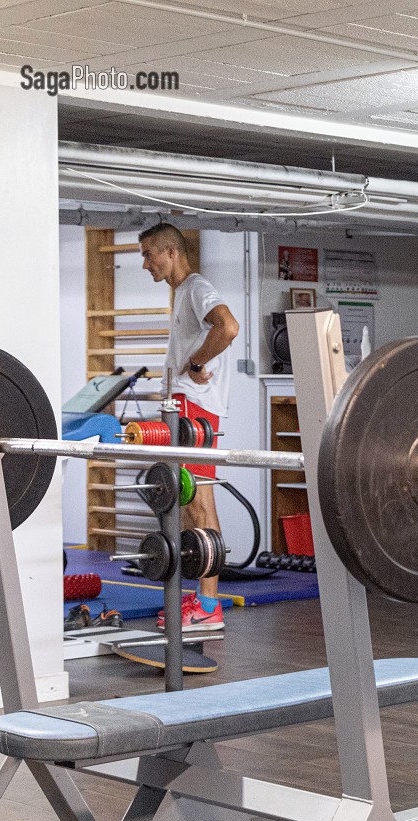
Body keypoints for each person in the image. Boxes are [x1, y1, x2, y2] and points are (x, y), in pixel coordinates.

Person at [138, 222, 241, 631]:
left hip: (196, 409)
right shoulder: (182, 293)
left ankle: (209, 606)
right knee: (184, 503)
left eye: (149, 254)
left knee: (198, 504)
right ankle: (199, 601)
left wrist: (197, 364)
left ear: (171, 252)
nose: (144, 263)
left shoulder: (196, 287)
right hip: (183, 405)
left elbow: (228, 327)